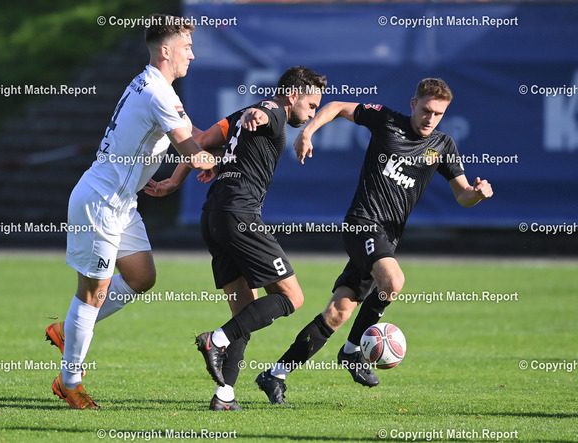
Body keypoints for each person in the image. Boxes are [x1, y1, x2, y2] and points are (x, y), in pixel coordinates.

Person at [255, 78, 494, 404]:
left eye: (438, 114)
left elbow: (463, 194)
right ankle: (352, 351)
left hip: (386, 241)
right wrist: (308, 131)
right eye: (426, 110)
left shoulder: (442, 146)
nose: (430, 118)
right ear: (413, 104)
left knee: (337, 313)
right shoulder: (386, 120)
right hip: (362, 224)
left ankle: (275, 374)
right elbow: (337, 107)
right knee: (393, 281)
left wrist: (477, 194)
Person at [44, 14, 216, 409]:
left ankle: (66, 331)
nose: (192, 54)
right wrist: (229, 161)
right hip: (100, 202)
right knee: (93, 293)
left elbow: (197, 136)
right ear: (166, 51)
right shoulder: (157, 93)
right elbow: (193, 151)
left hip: (122, 203)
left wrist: (236, 130)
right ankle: (70, 382)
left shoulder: (157, 88)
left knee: (141, 277)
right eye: (187, 47)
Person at [145, 66, 327, 410]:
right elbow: (266, 112)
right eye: (311, 105)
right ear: (292, 96)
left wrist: (174, 180)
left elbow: (201, 142)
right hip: (240, 217)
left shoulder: (242, 114)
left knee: (244, 311)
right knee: (292, 298)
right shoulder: (273, 111)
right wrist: (261, 113)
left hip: (213, 216)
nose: (311, 113)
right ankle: (215, 339)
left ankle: (224, 395)